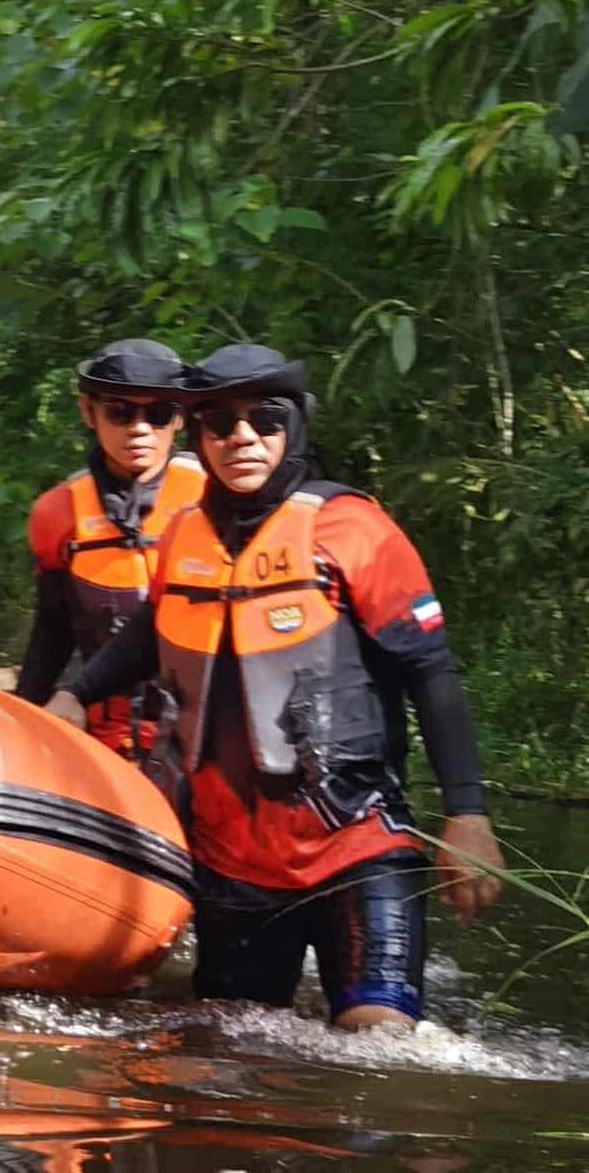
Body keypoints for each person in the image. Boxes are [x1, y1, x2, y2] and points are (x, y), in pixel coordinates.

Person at [45, 344, 505, 1030]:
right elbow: (144, 637)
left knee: (378, 1050)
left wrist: (467, 816)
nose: (242, 438)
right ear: (200, 438)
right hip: (232, 862)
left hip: (356, 843)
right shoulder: (184, 535)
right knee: (230, 1053)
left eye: (264, 420)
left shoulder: (353, 527)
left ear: (294, 425)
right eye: (219, 424)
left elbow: (430, 671)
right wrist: (73, 695)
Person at [16, 340, 205, 763]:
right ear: (89, 412)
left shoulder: (214, 497)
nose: (140, 429)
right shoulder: (57, 512)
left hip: (201, 736)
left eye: (159, 414)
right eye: (120, 412)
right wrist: (25, 713)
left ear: (180, 417)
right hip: (106, 736)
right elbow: (52, 631)